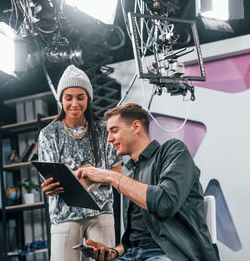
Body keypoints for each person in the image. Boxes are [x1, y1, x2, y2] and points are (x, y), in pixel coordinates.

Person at [76, 103, 220, 261]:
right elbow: (136, 238)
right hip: (133, 255)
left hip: (171, 254)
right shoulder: (130, 175)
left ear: (136, 126)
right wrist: (115, 252)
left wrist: (111, 176)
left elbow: (165, 203)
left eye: (114, 131)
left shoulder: (174, 151)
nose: (109, 139)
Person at [38, 65, 123, 261]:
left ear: (88, 99)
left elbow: (118, 174)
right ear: (61, 100)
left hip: (101, 213)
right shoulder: (49, 134)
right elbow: (49, 178)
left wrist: (91, 174)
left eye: (80, 97)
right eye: (68, 98)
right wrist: (49, 187)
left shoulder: (103, 130)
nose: (74, 103)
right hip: (64, 216)